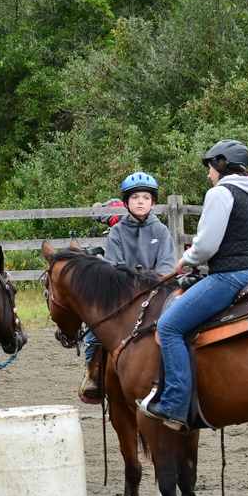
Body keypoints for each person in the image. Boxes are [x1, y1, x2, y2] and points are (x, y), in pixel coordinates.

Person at [138, 140, 248, 430]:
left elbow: (208, 244)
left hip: (231, 275)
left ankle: (173, 404)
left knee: (169, 326)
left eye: (210, 167)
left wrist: (186, 259)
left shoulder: (220, 193)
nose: (208, 174)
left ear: (221, 165)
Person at [79, 172, 177, 401]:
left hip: (155, 292)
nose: (140, 201)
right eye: (135, 197)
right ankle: (93, 371)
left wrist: (147, 278)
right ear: (126, 203)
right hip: (123, 294)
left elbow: (166, 266)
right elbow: (114, 267)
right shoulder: (117, 232)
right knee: (97, 324)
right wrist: (137, 278)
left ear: (153, 203)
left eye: (145, 197)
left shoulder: (161, 231)